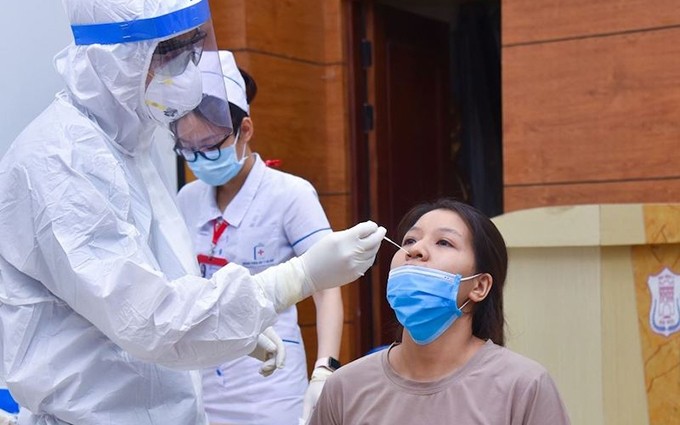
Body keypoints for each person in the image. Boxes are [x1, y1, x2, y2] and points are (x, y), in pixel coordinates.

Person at [0, 1, 386, 424]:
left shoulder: (127, 149)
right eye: (169, 53)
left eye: (192, 48)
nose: (186, 70)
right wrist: (293, 278)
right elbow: (148, 316)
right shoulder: (63, 162)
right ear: (116, 58)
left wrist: (237, 330)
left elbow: (157, 286)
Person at [174, 51, 343, 425]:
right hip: (201, 381)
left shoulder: (290, 194)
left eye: (211, 145)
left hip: (270, 385)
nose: (200, 158)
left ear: (245, 130)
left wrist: (325, 369)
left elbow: (327, 285)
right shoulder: (187, 199)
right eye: (189, 149)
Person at [309, 198, 571, 425]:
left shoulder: (524, 386)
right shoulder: (345, 386)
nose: (415, 250)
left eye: (444, 242)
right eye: (409, 240)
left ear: (479, 286)